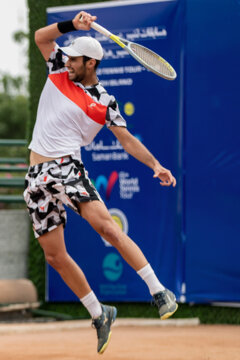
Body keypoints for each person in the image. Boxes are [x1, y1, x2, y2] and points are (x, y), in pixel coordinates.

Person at [24, 11, 178, 354]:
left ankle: (158, 291)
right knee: (54, 256)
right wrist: (71, 26)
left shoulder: (104, 102)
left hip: (67, 167)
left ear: (90, 63)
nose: (68, 60)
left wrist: (155, 164)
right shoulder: (59, 68)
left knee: (106, 228)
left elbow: (127, 140)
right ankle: (99, 313)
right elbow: (40, 37)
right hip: (36, 176)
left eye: (76, 58)